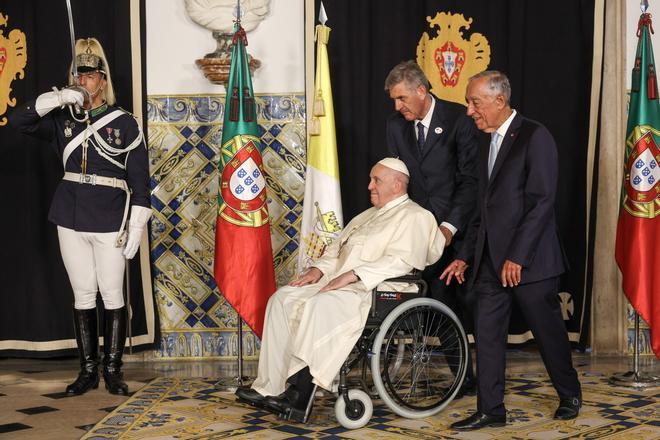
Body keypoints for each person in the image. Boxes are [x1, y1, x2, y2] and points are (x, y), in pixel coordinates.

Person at [236, 158, 445, 421]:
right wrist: (318, 270)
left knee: (317, 306)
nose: (369, 186)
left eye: (376, 180)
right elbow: (336, 250)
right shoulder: (367, 215)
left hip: (374, 289)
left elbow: (401, 261)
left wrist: (355, 274)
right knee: (283, 299)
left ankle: (300, 393)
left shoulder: (417, 216)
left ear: (397, 184)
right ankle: (268, 387)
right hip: (339, 283)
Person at [441, 71, 581, 430]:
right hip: (490, 261)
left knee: (547, 332)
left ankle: (569, 393)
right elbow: (482, 208)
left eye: (475, 102)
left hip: (530, 261)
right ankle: (491, 409)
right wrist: (465, 255)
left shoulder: (535, 136)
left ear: (499, 101)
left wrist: (517, 256)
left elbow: (541, 203)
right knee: (487, 333)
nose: (470, 111)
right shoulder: (484, 140)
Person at [11, 38, 150, 396]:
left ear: (102, 80)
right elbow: (19, 121)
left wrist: (136, 225)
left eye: (89, 76)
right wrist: (58, 99)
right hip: (70, 215)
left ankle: (113, 371)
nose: (83, 81)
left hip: (108, 217)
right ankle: (88, 371)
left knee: (112, 294)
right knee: (83, 295)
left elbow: (139, 182)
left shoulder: (125, 123)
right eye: (78, 75)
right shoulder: (62, 119)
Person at [384, 60, 479, 396]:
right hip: (418, 232)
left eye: (401, 99)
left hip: (461, 229)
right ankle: (460, 377)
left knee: (460, 300)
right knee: (433, 300)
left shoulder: (457, 120)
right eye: (394, 100)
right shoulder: (396, 126)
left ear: (421, 91)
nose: (398, 106)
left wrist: (449, 227)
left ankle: (470, 375)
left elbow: (469, 182)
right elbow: (398, 181)